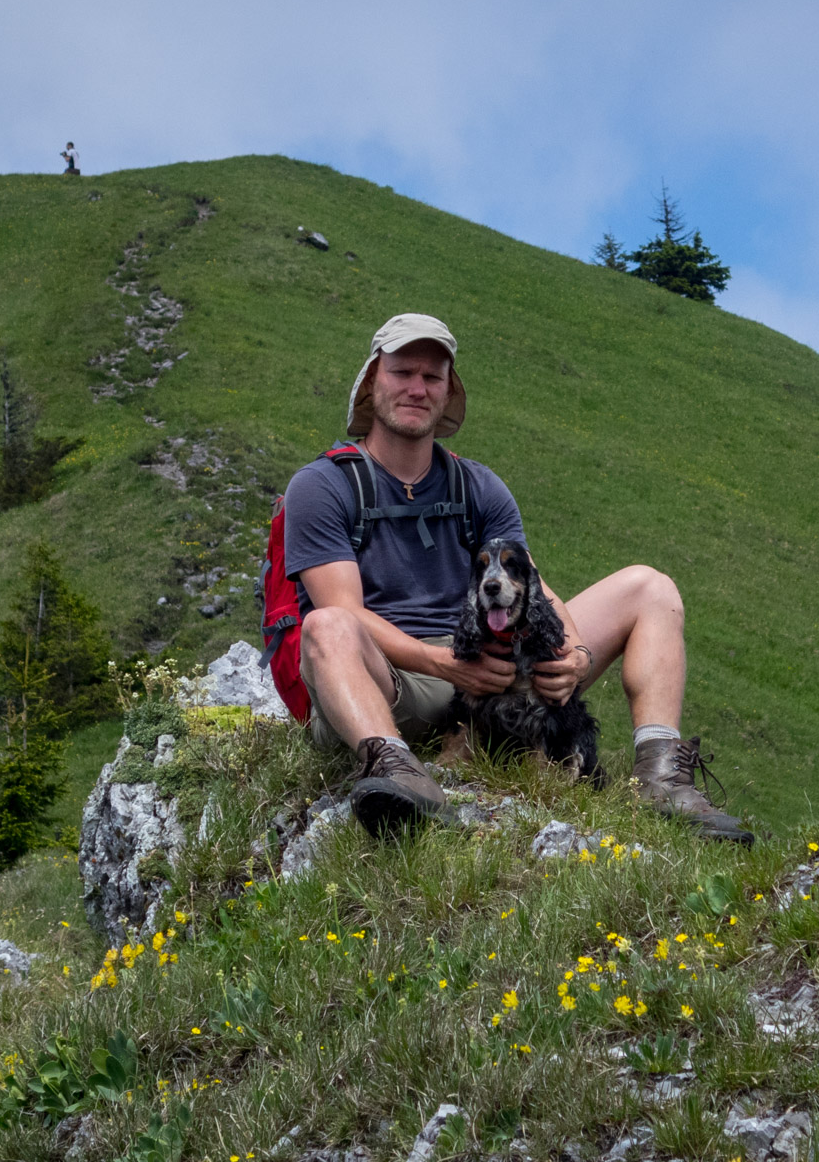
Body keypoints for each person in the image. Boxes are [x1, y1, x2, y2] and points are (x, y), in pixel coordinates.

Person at [286, 313, 752, 844]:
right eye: (402, 372)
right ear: (373, 381)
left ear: (448, 393)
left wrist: (574, 657)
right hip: (392, 680)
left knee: (651, 588)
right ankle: (396, 770)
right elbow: (347, 612)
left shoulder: (478, 486)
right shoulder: (323, 485)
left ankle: (661, 775)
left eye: (433, 377)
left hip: (489, 674)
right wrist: (447, 665)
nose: (417, 388)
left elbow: (532, 582)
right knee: (326, 625)